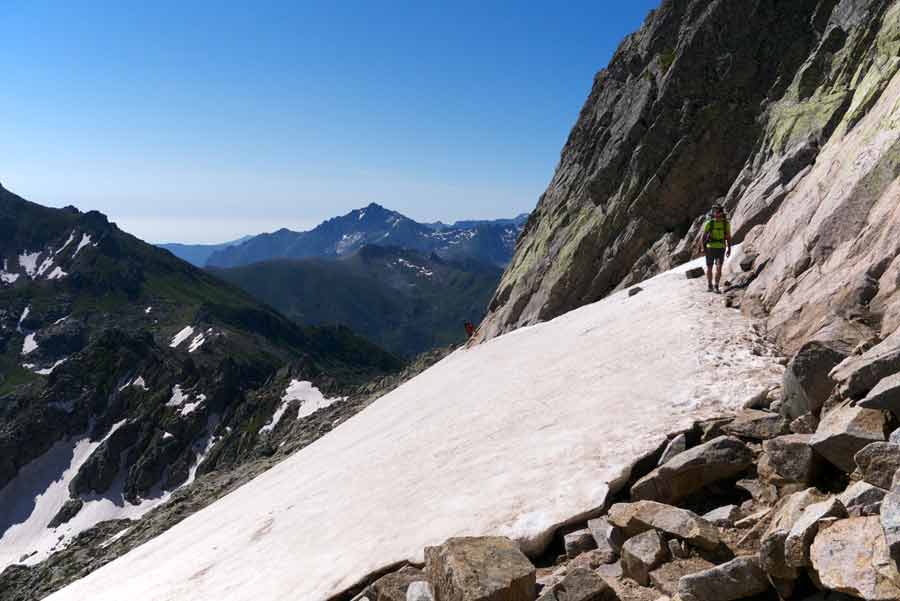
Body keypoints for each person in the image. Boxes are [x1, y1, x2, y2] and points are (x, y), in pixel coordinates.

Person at [697, 203, 732, 293]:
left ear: (720, 213)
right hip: (710, 248)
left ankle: (716, 286)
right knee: (709, 267)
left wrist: (729, 249)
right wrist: (702, 248)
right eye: (714, 211)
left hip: (721, 248)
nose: (715, 213)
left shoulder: (726, 224)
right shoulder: (709, 223)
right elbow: (703, 237)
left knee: (719, 268)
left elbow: (728, 237)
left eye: (716, 211)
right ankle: (710, 285)